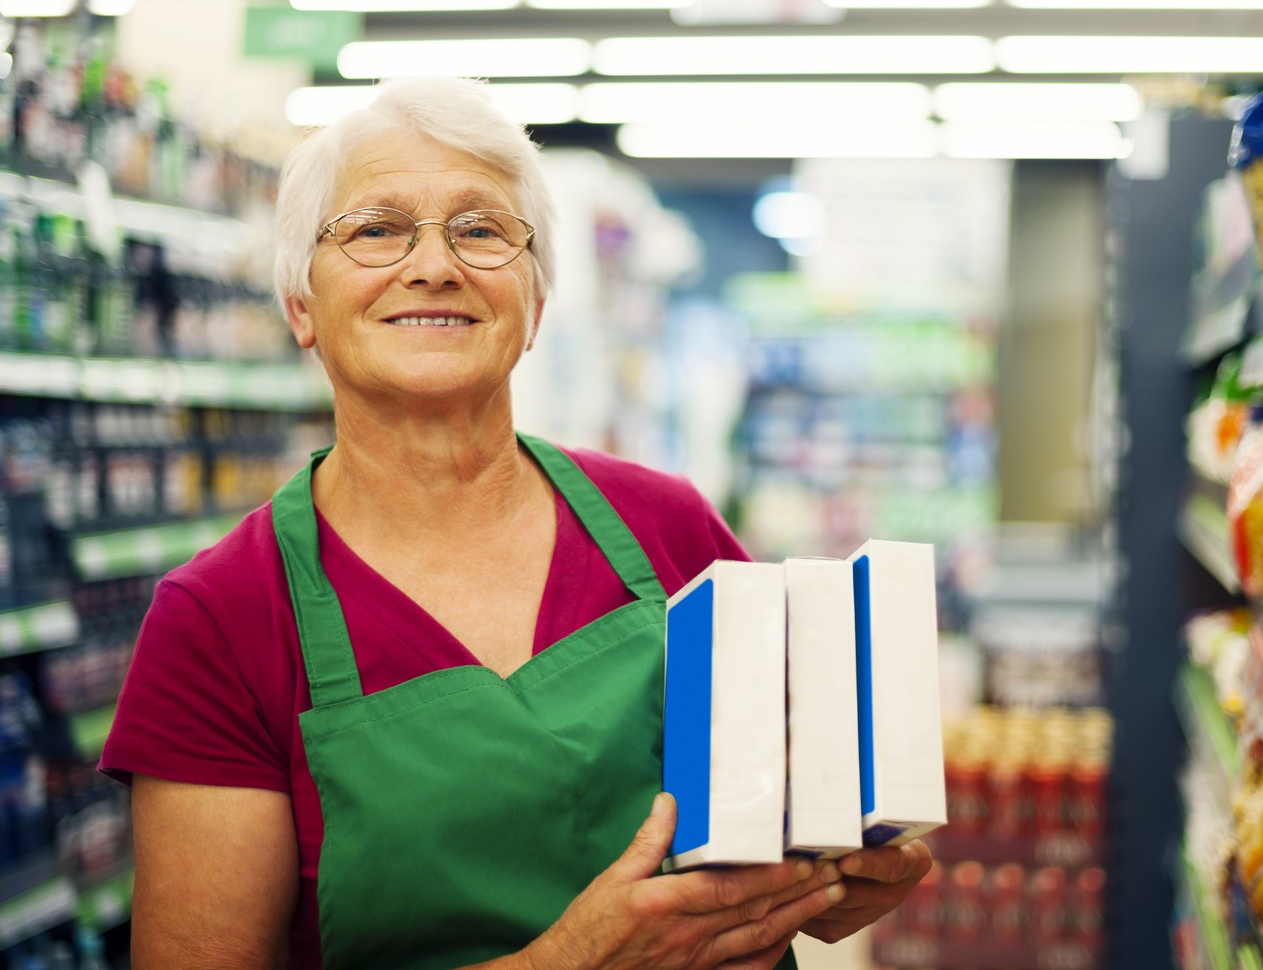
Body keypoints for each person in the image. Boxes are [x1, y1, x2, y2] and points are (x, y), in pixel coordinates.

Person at [100, 77, 932, 970]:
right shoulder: (222, 619)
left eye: (482, 229)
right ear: (301, 303)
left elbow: (803, 809)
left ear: (534, 304)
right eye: (376, 229)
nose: (435, 265)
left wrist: (844, 871)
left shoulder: (672, 530)